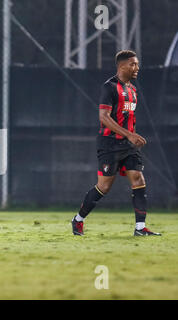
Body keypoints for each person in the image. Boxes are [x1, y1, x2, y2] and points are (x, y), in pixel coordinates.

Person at [71, 50, 161, 236]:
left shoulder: (133, 90)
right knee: (104, 186)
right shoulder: (110, 87)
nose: (137, 68)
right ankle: (78, 220)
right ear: (121, 66)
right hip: (109, 144)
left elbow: (127, 118)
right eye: (132, 64)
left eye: (137, 64)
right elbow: (103, 117)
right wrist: (129, 134)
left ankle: (140, 228)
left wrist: (132, 136)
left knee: (138, 179)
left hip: (128, 145)